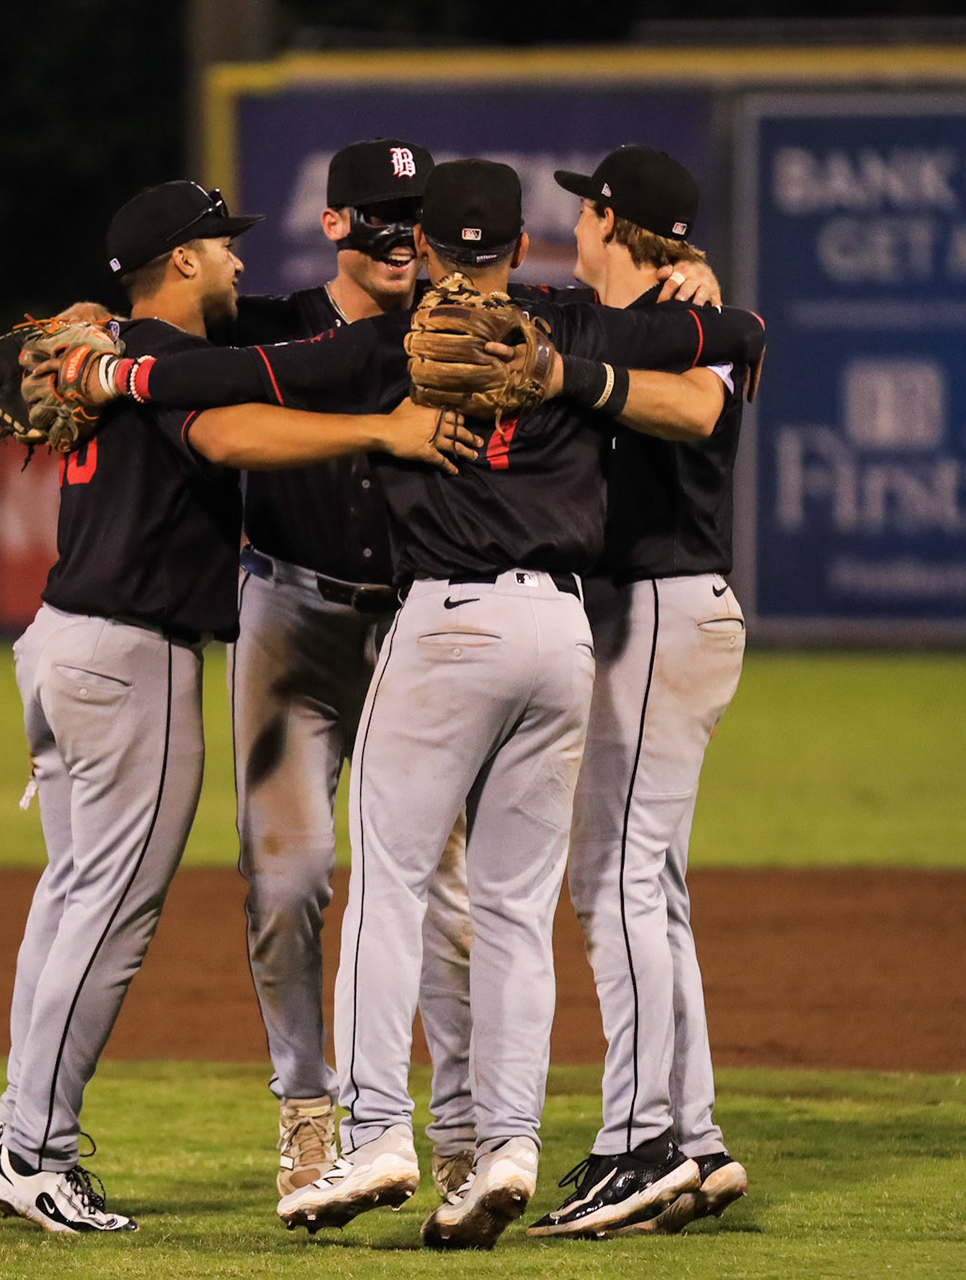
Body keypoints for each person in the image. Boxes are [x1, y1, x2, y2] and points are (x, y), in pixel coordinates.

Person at [53, 158, 766, 1249]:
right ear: (519, 249)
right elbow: (735, 342)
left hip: (442, 626)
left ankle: (378, 1129)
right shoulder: (570, 327)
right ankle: (505, 1144)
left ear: (427, 250)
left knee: (390, 886)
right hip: (562, 634)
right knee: (514, 908)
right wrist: (704, 306)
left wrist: (118, 374)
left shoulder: (382, 343)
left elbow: (228, 373)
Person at [0, 179, 475, 1235]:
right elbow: (237, 437)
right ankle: (31, 1144)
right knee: (108, 910)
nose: (241, 262)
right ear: (183, 259)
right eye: (222, 246)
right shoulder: (159, 366)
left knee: (70, 898)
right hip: (128, 654)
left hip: (61, 643)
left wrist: (94, 336)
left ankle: (22, 1122)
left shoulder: (121, 356)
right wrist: (379, 430)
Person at [217, 138, 484, 1202]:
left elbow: (615, 327)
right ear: (332, 224)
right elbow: (194, 380)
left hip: (420, 629)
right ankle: (306, 1109)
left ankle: (464, 1125)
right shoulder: (274, 330)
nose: (398, 240)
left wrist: (688, 286)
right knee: (285, 882)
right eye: (377, 215)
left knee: (448, 890)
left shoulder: (462, 330)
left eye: (413, 219)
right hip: (292, 615)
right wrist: (102, 329)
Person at [526, 146, 755, 1239]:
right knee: (648, 884)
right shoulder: (591, 316)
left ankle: (639, 1140)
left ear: (615, 220)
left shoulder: (690, 315)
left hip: (663, 604)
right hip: (639, 612)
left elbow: (701, 413)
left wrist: (583, 380)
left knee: (612, 876)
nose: (574, 226)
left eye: (588, 211)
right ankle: (694, 1137)